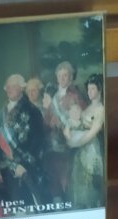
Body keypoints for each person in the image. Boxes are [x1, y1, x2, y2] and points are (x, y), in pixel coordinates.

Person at [0, 73, 45, 207]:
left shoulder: (32, 110)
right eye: (7, 87)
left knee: (34, 204)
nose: (8, 89)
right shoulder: (2, 112)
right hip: (7, 166)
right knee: (16, 207)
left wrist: (24, 164)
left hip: (26, 167)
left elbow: (38, 140)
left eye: (12, 86)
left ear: (21, 88)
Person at [43, 61, 86, 201]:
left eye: (65, 75)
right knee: (54, 179)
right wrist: (50, 123)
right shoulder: (54, 97)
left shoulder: (76, 96)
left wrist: (64, 124)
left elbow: (81, 120)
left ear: (71, 77)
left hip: (69, 147)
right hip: (53, 146)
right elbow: (46, 120)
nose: (62, 78)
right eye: (59, 75)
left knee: (68, 180)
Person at [63, 73, 105, 209]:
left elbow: (93, 132)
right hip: (80, 151)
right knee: (79, 184)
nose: (89, 92)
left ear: (99, 89)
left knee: (91, 185)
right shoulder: (86, 108)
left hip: (92, 149)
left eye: (93, 89)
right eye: (88, 89)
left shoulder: (101, 109)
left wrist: (75, 143)